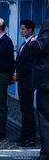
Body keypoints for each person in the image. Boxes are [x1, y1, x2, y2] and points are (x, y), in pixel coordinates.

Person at [10, 20, 36, 147]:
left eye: (23, 29)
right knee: (23, 110)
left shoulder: (32, 43)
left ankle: (31, 138)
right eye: (21, 29)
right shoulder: (24, 43)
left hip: (27, 82)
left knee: (28, 110)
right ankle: (23, 135)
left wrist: (18, 75)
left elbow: (29, 64)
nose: (21, 31)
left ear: (30, 30)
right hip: (22, 82)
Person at [30, 20, 49, 160]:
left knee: (45, 117)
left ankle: (46, 153)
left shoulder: (47, 24)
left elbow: (40, 46)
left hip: (46, 81)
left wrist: (34, 41)